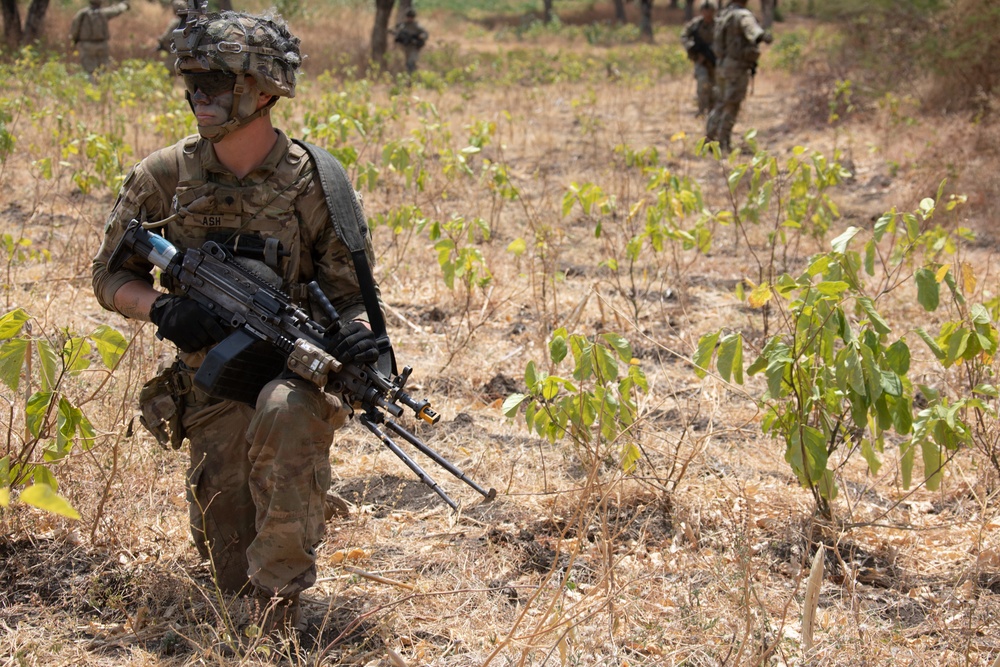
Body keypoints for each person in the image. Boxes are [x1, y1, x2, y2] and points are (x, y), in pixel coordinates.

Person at [91, 9, 385, 634]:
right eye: (192, 82)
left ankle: (281, 612)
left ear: (266, 90)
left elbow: (354, 298)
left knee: (284, 415)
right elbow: (109, 277)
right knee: (228, 564)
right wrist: (163, 308)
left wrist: (356, 340)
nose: (201, 97)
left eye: (218, 83)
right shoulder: (164, 177)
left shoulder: (317, 183)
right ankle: (266, 543)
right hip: (212, 382)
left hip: (295, 371)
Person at [704, 0, 772, 153]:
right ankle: (723, 143)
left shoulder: (725, 14)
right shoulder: (742, 15)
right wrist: (764, 36)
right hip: (736, 68)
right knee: (731, 105)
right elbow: (753, 31)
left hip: (721, 66)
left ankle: (709, 140)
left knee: (720, 103)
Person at [70, 0, 130, 77]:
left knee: (90, 71)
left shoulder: (82, 14)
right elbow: (117, 10)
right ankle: (103, 86)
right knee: (103, 69)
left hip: (87, 45)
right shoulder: (104, 12)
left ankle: (93, 87)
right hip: (103, 45)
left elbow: (75, 30)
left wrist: (74, 41)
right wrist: (124, 5)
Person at [681, 1, 717, 118]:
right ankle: (702, 109)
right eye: (705, 11)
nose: (707, 14)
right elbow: (684, 36)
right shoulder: (695, 25)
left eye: (710, 11)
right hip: (701, 60)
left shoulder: (719, 25)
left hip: (716, 60)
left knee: (715, 87)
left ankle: (713, 110)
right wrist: (691, 48)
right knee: (702, 83)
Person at [391, 7, 428, 74]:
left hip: (414, 47)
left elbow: (425, 34)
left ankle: (414, 77)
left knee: (410, 63)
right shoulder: (402, 26)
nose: (409, 18)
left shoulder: (417, 26)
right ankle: (411, 78)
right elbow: (396, 32)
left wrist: (420, 37)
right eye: (408, 16)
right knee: (407, 64)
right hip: (406, 47)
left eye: (411, 17)